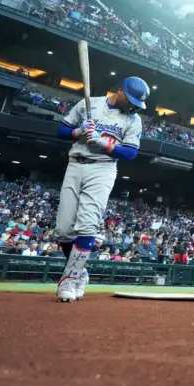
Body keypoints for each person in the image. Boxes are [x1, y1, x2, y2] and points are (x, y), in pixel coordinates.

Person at [52, 76, 147, 302]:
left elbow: (130, 153)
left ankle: (70, 277)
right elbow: (61, 131)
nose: (134, 106)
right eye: (132, 100)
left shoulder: (134, 120)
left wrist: (103, 141)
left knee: (87, 224)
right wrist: (78, 133)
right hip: (76, 163)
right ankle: (80, 272)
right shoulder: (90, 103)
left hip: (103, 169)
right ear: (121, 92)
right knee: (64, 231)